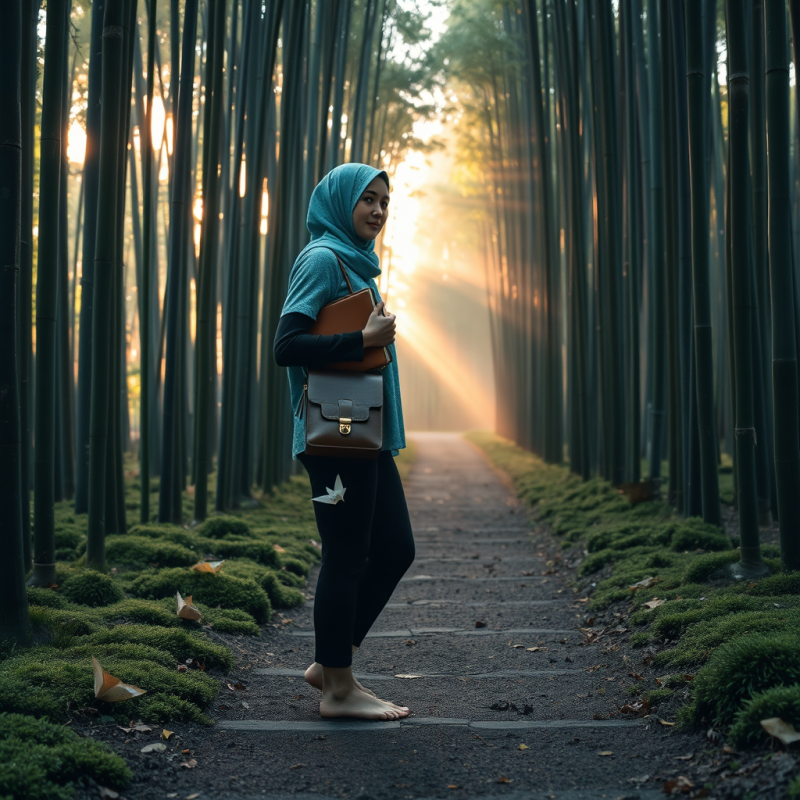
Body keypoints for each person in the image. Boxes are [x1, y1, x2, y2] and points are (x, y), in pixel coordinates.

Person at [273, 163, 415, 721]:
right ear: (339, 202)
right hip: (335, 438)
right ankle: (338, 687)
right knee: (347, 555)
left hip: (364, 432)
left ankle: (330, 661)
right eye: (368, 200)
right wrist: (364, 336)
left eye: (384, 202)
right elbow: (287, 345)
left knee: (395, 548)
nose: (378, 211)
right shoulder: (322, 259)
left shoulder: (357, 266)